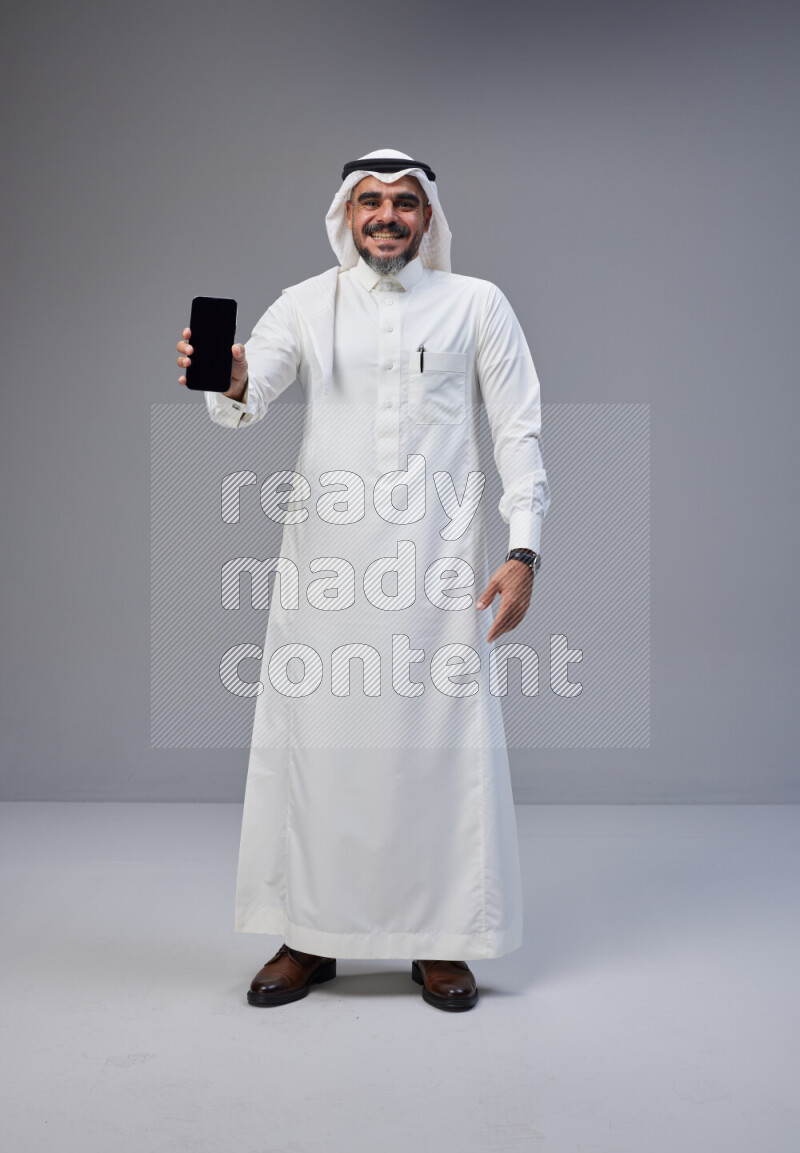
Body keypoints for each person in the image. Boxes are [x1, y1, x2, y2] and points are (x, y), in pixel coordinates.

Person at [176, 148, 551, 1012]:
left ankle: (442, 939)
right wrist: (230, 374)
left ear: (428, 217)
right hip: (328, 572)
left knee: (438, 751)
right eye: (371, 201)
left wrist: (524, 551)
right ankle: (309, 935)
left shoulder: (477, 304)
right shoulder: (307, 303)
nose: (387, 215)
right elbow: (248, 393)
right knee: (320, 749)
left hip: (440, 571)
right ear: (347, 214)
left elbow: (519, 430)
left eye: (405, 202)